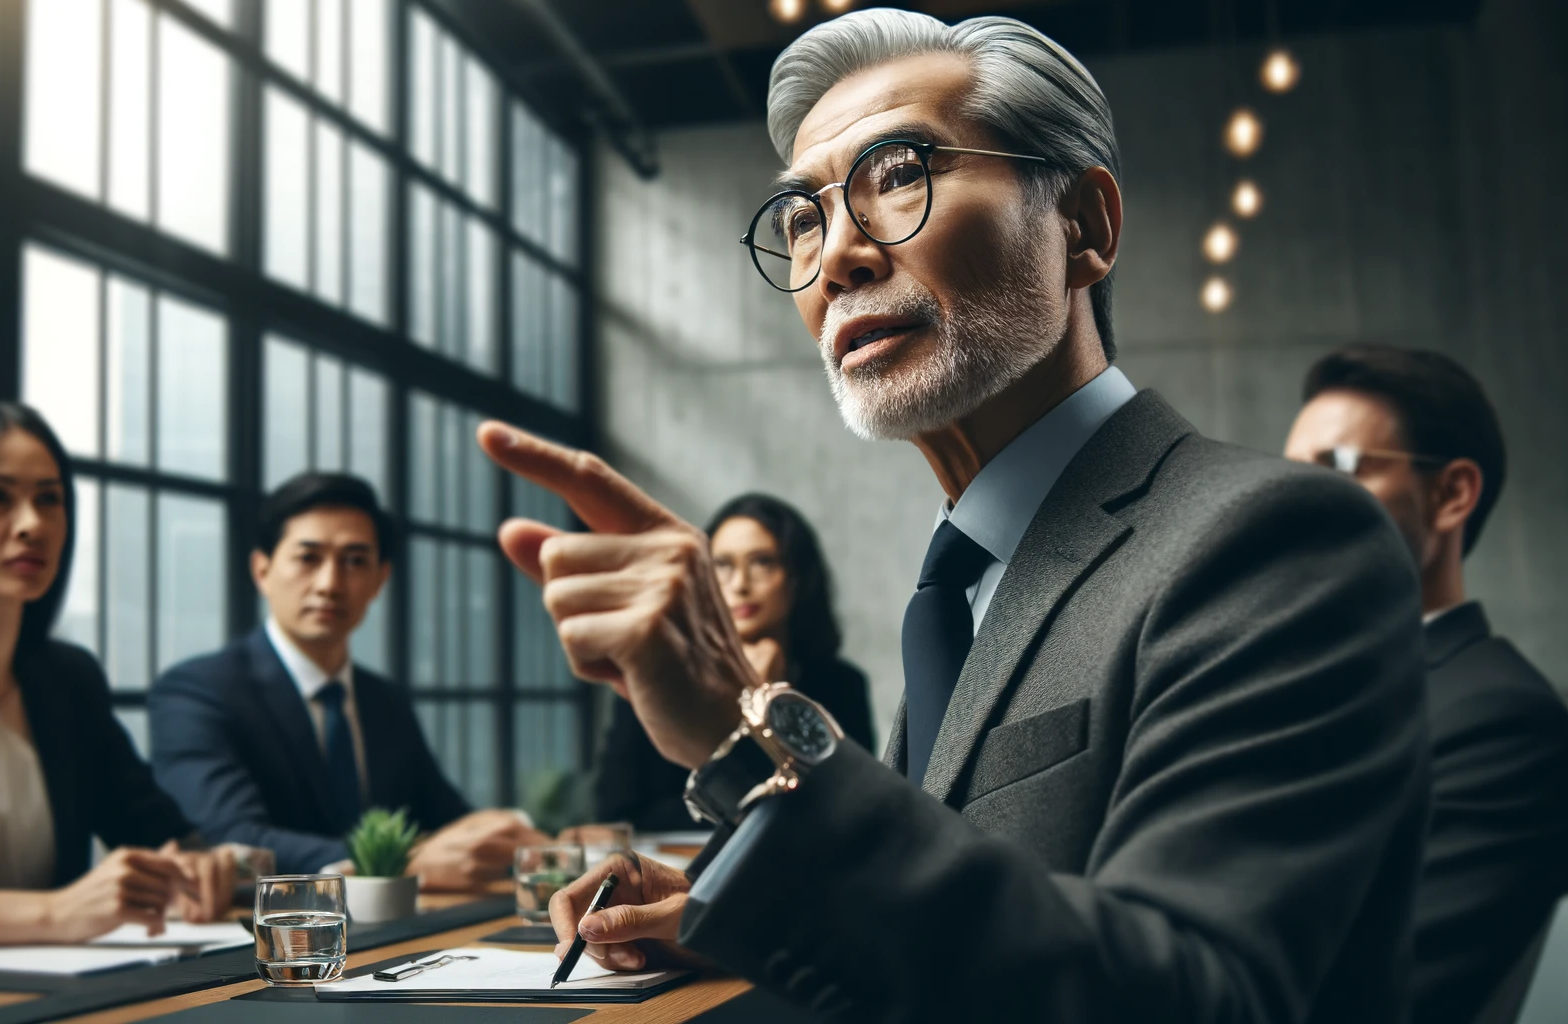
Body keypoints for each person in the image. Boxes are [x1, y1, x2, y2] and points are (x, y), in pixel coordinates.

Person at [489, 10, 1430, 1022]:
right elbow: (973, 916)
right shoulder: (966, 578)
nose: (837, 254)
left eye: (898, 172)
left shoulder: (1275, 539)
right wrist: (731, 906)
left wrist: (745, 732)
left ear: (1085, 226)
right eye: (802, 216)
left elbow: (1192, 992)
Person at [1284, 345, 1568, 1024]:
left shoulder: (1505, 727)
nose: (1292, 501)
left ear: (1453, 494)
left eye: (1337, 467)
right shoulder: (1295, 699)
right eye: (1288, 475)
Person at [0, 401, 237, 947]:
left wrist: (195, 868)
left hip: (72, 994)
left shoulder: (68, 679)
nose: (32, 524)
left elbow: (163, 836)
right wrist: (55, 913)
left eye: (49, 499)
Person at [149, 473, 545, 883]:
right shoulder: (197, 691)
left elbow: (447, 822)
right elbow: (231, 839)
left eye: (355, 561)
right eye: (308, 558)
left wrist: (523, 838)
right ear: (262, 570)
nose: (330, 584)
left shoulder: (384, 700)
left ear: (380, 579)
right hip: (271, 933)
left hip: (397, 930)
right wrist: (400, 861)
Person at [594, 494, 875, 830]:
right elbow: (618, 814)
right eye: (722, 565)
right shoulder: (658, 679)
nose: (740, 584)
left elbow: (850, 808)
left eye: (763, 562)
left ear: (797, 578)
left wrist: (766, 700)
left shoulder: (841, 685)